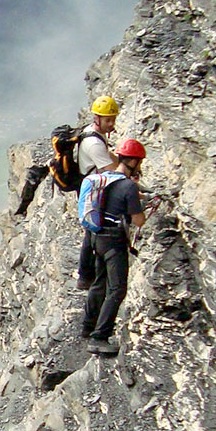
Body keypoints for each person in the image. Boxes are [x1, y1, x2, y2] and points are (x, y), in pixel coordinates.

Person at [82, 138, 147, 355]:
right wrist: (142, 207)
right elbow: (138, 220)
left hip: (97, 238)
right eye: (139, 162)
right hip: (114, 243)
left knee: (100, 283)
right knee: (117, 289)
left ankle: (87, 326)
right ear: (133, 161)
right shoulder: (128, 186)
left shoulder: (107, 179)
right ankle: (99, 337)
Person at [76, 96, 120, 290]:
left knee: (92, 230)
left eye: (113, 119)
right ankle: (85, 276)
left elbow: (108, 157)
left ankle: (88, 275)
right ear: (97, 118)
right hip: (93, 192)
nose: (111, 124)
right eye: (108, 120)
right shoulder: (94, 143)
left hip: (89, 186)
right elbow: (111, 170)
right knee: (92, 231)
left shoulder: (91, 133)